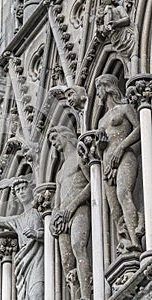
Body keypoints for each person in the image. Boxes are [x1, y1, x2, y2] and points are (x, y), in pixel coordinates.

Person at [96, 74, 142, 253]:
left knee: (124, 194)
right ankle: (124, 241)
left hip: (124, 157)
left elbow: (139, 128)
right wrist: (100, 147)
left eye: (98, 88)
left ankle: (136, 240)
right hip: (107, 164)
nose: (97, 93)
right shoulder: (101, 120)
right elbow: (100, 151)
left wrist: (121, 148)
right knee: (115, 210)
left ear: (107, 87)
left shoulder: (125, 109)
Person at [0, 178, 44, 300]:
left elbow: (51, 231)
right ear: (16, 197)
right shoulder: (17, 220)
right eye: (17, 190)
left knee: (37, 294)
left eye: (23, 188)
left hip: (38, 257)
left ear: (31, 189)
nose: (21, 192)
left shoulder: (41, 210)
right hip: (23, 261)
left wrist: (36, 234)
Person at [48, 126, 91, 300]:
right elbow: (56, 202)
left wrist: (73, 205)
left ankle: (87, 295)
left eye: (55, 139)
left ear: (64, 136)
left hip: (78, 209)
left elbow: (92, 182)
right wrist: (54, 218)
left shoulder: (79, 157)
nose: (54, 144)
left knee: (78, 247)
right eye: (51, 142)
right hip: (62, 219)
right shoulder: (59, 173)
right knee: (66, 262)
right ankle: (75, 295)